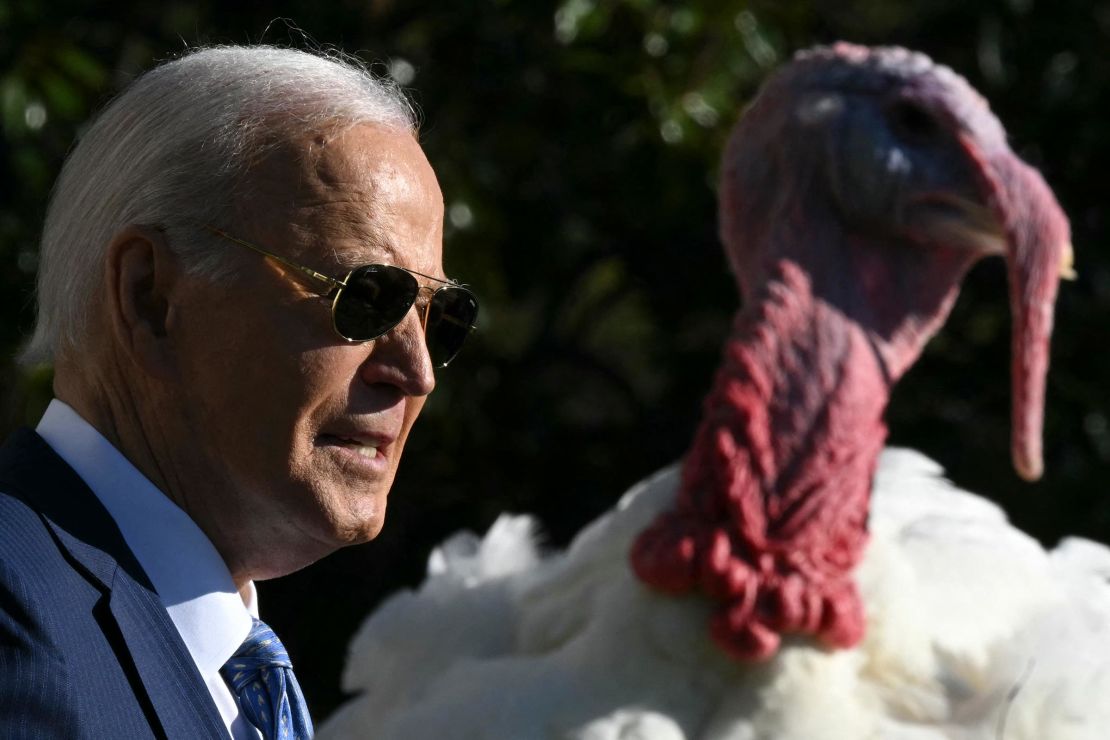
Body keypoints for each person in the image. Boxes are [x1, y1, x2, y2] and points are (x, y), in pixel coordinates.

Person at [0, 45, 478, 739]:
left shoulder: (224, 661)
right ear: (151, 297)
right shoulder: (19, 633)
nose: (417, 371)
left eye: (439, 316)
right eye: (365, 298)